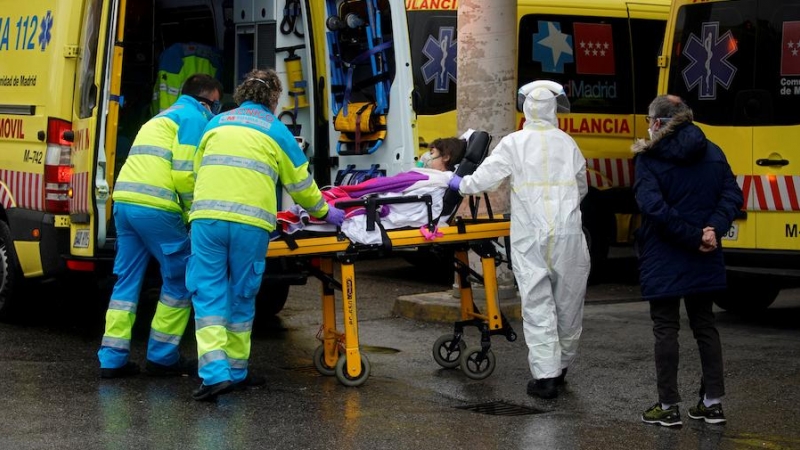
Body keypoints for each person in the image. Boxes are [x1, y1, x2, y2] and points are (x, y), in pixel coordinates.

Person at [187, 69, 345, 401]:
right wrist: (325, 212)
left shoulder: (215, 124)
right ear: (273, 100)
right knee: (243, 294)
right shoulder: (277, 131)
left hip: (207, 220)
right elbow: (301, 185)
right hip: (250, 224)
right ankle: (236, 371)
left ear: (241, 94)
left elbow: (196, 170)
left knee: (208, 294)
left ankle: (215, 375)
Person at [448, 80, 590, 399]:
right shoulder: (568, 144)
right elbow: (581, 187)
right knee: (568, 305)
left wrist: (460, 183)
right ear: (554, 109)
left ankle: (547, 376)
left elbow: (487, 177)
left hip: (531, 238)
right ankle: (562, 366)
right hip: (568, 235)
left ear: (526, 108)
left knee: (538, 304)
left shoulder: (515, 143)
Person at [97, 73, 223, 379]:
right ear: (204, 100)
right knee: (180, 278)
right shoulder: (193, 118)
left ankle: (112, 359)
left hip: (125, 203)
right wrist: (196, 212)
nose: (216, 113)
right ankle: (162, 356)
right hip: (156, 207)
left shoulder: (161, 117)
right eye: (216, 106)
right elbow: (183, 174)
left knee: (126, 281)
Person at [634, 95, 743, 427]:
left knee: (666, 327)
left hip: (664, 253)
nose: (649, 127)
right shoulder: (712, 150)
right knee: (705, 325)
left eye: (651, 120)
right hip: (704, 253)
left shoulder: (649, 157)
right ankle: (712, 403)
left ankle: (668, 407)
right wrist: (712, 230)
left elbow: (653, 207)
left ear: (659, 123)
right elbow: (732, 195)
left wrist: (693, 235)